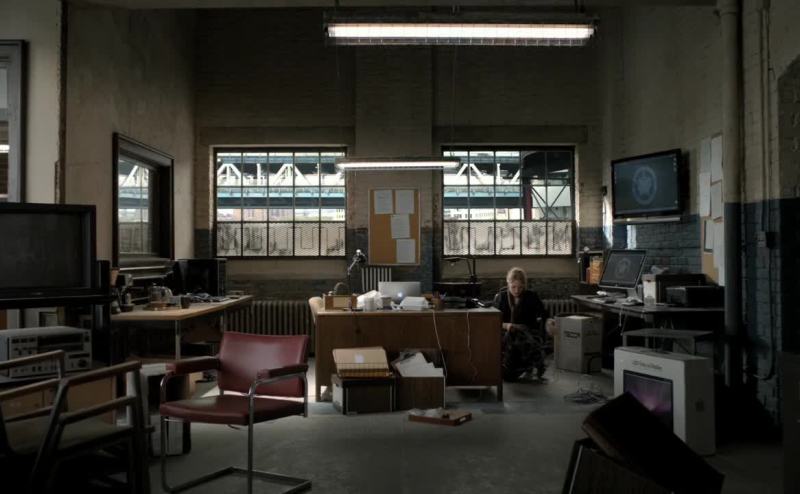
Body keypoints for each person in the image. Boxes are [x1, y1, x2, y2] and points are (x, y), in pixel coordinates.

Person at [493, 267, 551, 381]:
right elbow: (494, 319)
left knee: (522, 339)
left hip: (526, 330)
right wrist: (507, 325)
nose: (516, 291)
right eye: (513, 287)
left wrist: (549, 322)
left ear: (524, 285)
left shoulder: (531, 296)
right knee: (508, 374)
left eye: (520, 287)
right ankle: (511, 366)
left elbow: (543, 313)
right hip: (506, 330)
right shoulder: (501, 297)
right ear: (508, 284)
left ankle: (526, 366)